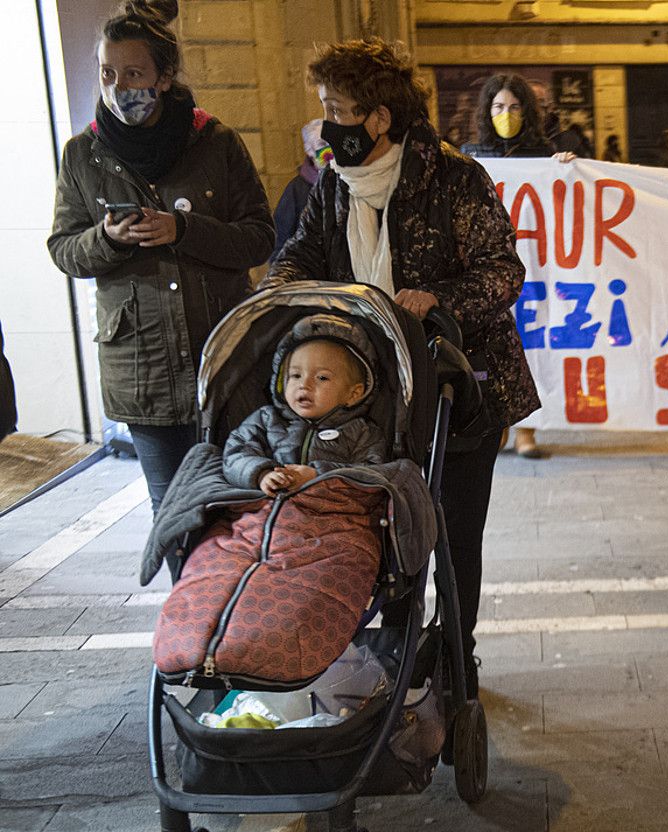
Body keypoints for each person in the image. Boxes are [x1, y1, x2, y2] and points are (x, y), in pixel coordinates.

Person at [266, 38, 540, 696]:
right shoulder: (337, 183)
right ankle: (393, 653)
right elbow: (300, 255)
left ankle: (456, 657)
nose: (328, 123)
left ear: (380, 116)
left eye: (338, 108)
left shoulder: (454, 178)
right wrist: (284, 287)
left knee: (451, 531)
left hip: (459, 391)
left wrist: (438, 299)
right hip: (373, 396)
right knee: (384, 522)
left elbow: (504, 272)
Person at [47, 0, 274, 512]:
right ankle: (186, 597)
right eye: (109, 73)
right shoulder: (82, 154)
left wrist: (183, 230)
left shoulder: (214, 141)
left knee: (236, 510)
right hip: (141, 371)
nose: (118, 87)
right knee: (172, 515)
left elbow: (260, 237)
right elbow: (64, 250)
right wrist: (107, 239)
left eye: (133, 73)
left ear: (164, 76)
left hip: (223, 363)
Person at [462, 73, 572, 460]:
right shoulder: (468, 156)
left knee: (529, 347)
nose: (505, 114)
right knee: (489, 348)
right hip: (484, 268)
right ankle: (500, 424)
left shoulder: (544, 154)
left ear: (526, 112)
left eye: (513, 107)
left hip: (534, 266)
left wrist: (565, 170)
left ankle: (528, 431)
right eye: (498, 107)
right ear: (486, 112)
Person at [223, 316, 386, 496]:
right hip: (267, 508)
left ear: (353, 394)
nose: (304, 384)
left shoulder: (362, 433)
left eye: (322, 378)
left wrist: (318, 475)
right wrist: (261, 474)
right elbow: (235, 454)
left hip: (329, 512)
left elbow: (372, 476)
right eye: (295, 375)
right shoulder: (266, 420)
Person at [271, 119, 332, 259]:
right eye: (322, 144)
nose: (329, 149)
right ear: (310, 150)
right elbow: (280, 242)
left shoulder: (351, 181)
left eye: (331, 142)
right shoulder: (296, 191)